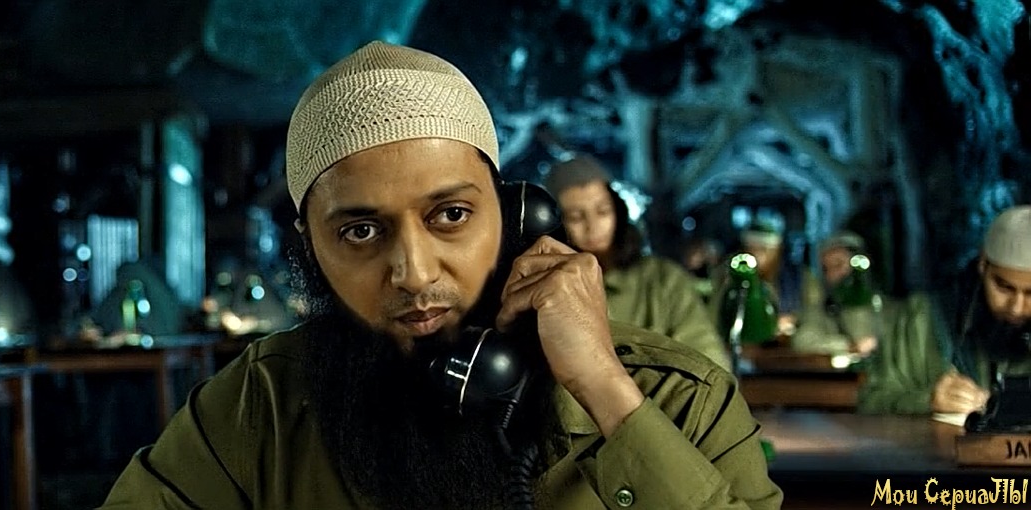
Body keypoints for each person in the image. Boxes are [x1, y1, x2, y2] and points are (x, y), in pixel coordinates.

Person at [100, 41, 781, 509]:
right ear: (310, 248)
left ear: (517, 216)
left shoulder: (676, 399)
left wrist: (607, 394)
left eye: (451, 215)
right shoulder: (261, 407)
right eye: (360, 231)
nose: (414, 271)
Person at [543, 155, 732, 371]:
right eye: (576, 217)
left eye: (603, 211)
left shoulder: (663, 280)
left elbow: (709, 365)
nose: (592, 226)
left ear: (618, 210)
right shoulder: (551, 290)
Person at [858, 205, 1031, 415]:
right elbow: (871, 400)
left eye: (1030, 294)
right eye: (1004, 288)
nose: (1016, 307)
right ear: (983, 264)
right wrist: (927, 401)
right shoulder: (923, 318)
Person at [790, 230, 883, 356]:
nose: (833, 275)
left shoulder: (883, 306)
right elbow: (803, 341)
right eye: (826, 268)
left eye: (838, 264)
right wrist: (848, 346)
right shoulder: (823, 308)